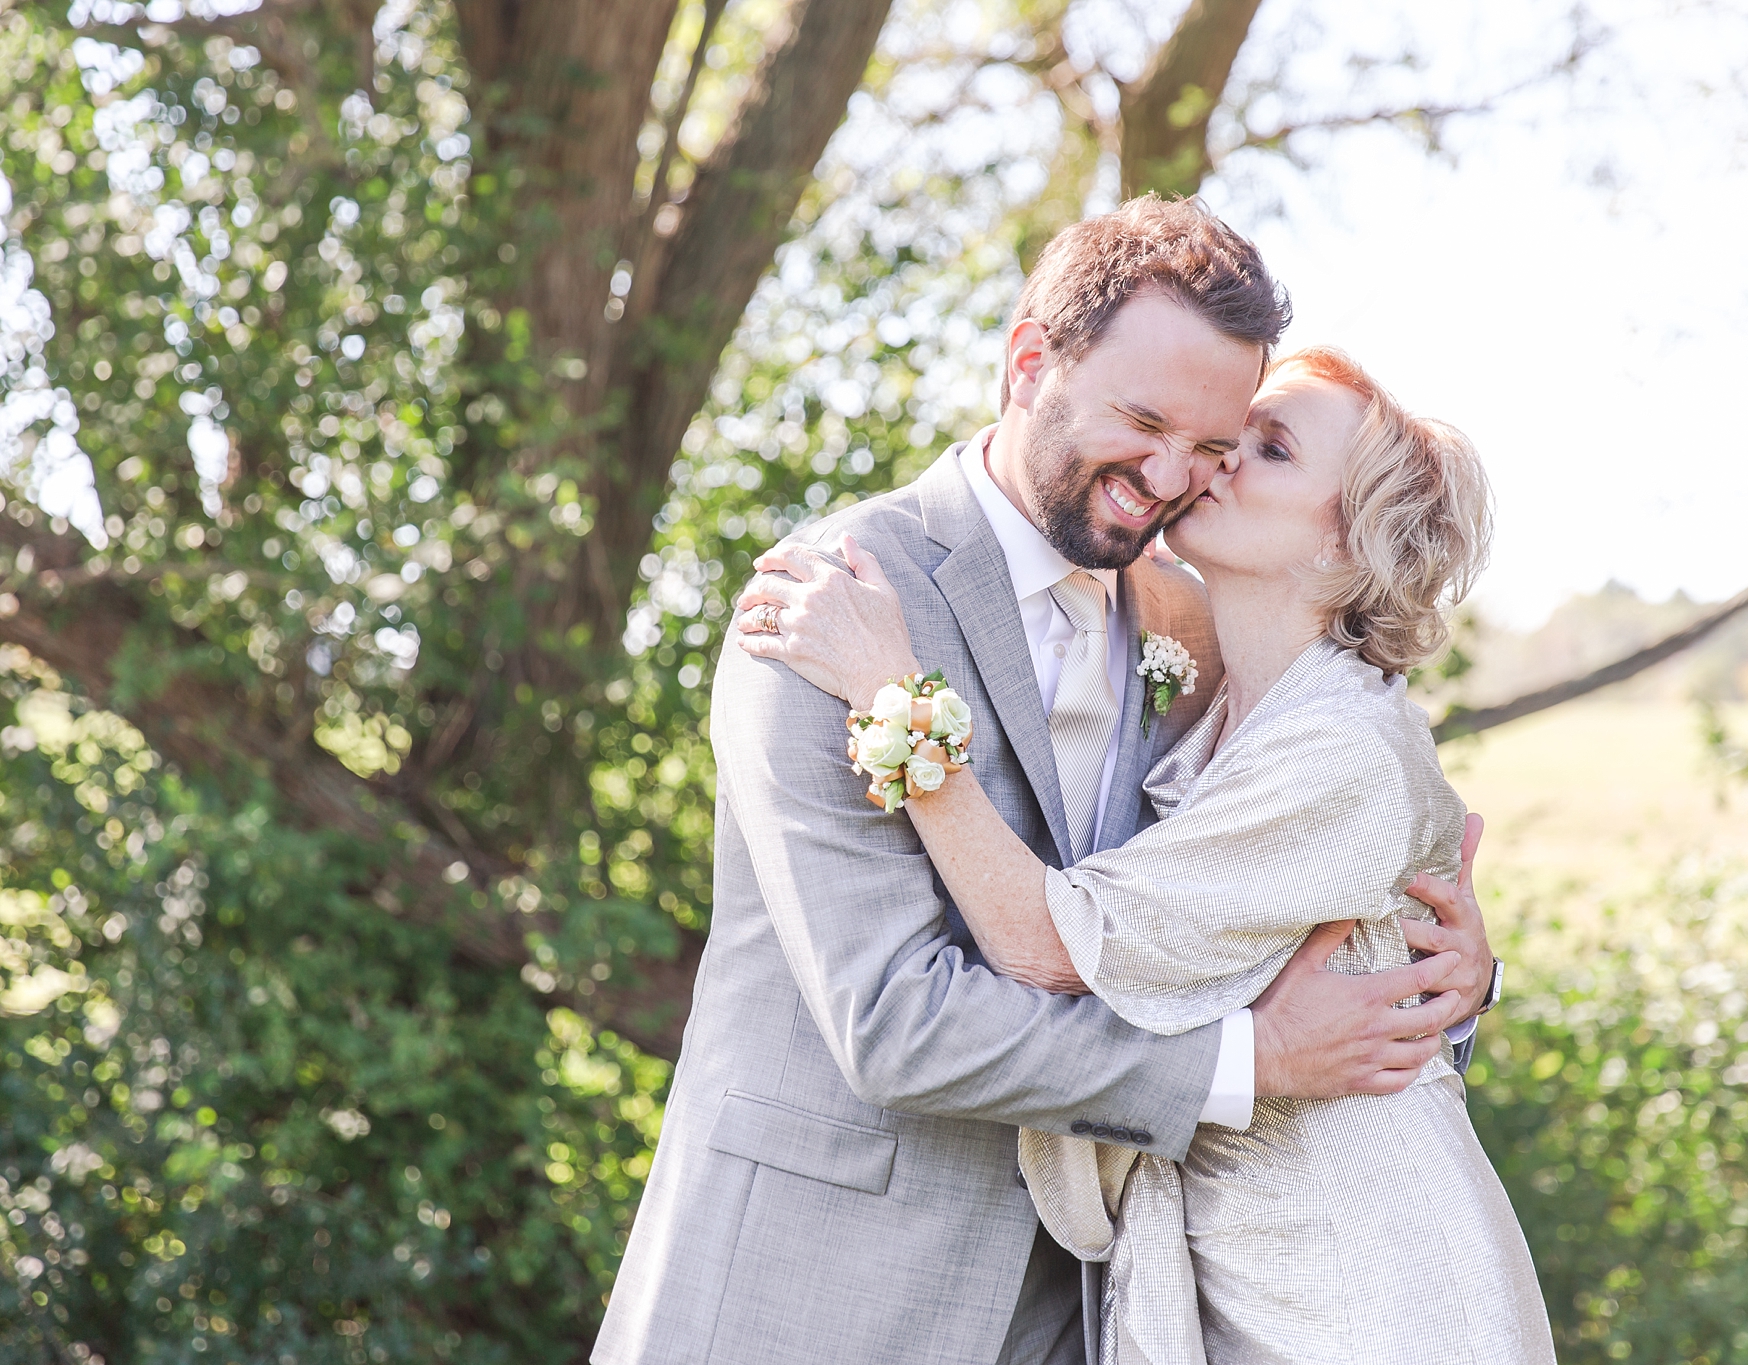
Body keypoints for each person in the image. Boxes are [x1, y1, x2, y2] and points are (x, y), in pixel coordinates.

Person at [591, 198, 1500, 1365]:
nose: (1171, 474)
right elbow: (896, 1023)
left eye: (1215, 444)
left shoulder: (1191, 621)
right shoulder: (838, 604)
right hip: (816, 1297)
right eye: (1142, 419)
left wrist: (1447, 979)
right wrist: (1251, 1063)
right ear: (1031, 363)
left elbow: (1299, 874)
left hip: (1072, 1312)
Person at [737, 344, 1551, 1364]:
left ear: (1346, 545)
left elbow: (1049, 944)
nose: (1207, 464)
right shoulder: (1193, 679)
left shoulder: (1343, 751)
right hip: (1231, 1278)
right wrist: (1454, 985)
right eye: (1222, 436)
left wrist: (892, 696)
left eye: (1267, 448)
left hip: (1364, 1283)